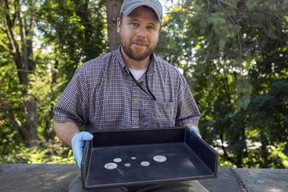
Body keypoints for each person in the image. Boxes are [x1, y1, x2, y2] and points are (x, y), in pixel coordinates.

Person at [53, 0, 208, 191]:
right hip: (102, 174)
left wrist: (191, 131)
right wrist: (74, 138)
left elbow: (188, 118)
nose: (141, 33)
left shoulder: (173, 77)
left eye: (150, 26)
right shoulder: (89, 74)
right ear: (119, 24)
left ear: (158, 31)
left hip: (166, 174)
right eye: (134, 24)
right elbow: (63, 118)